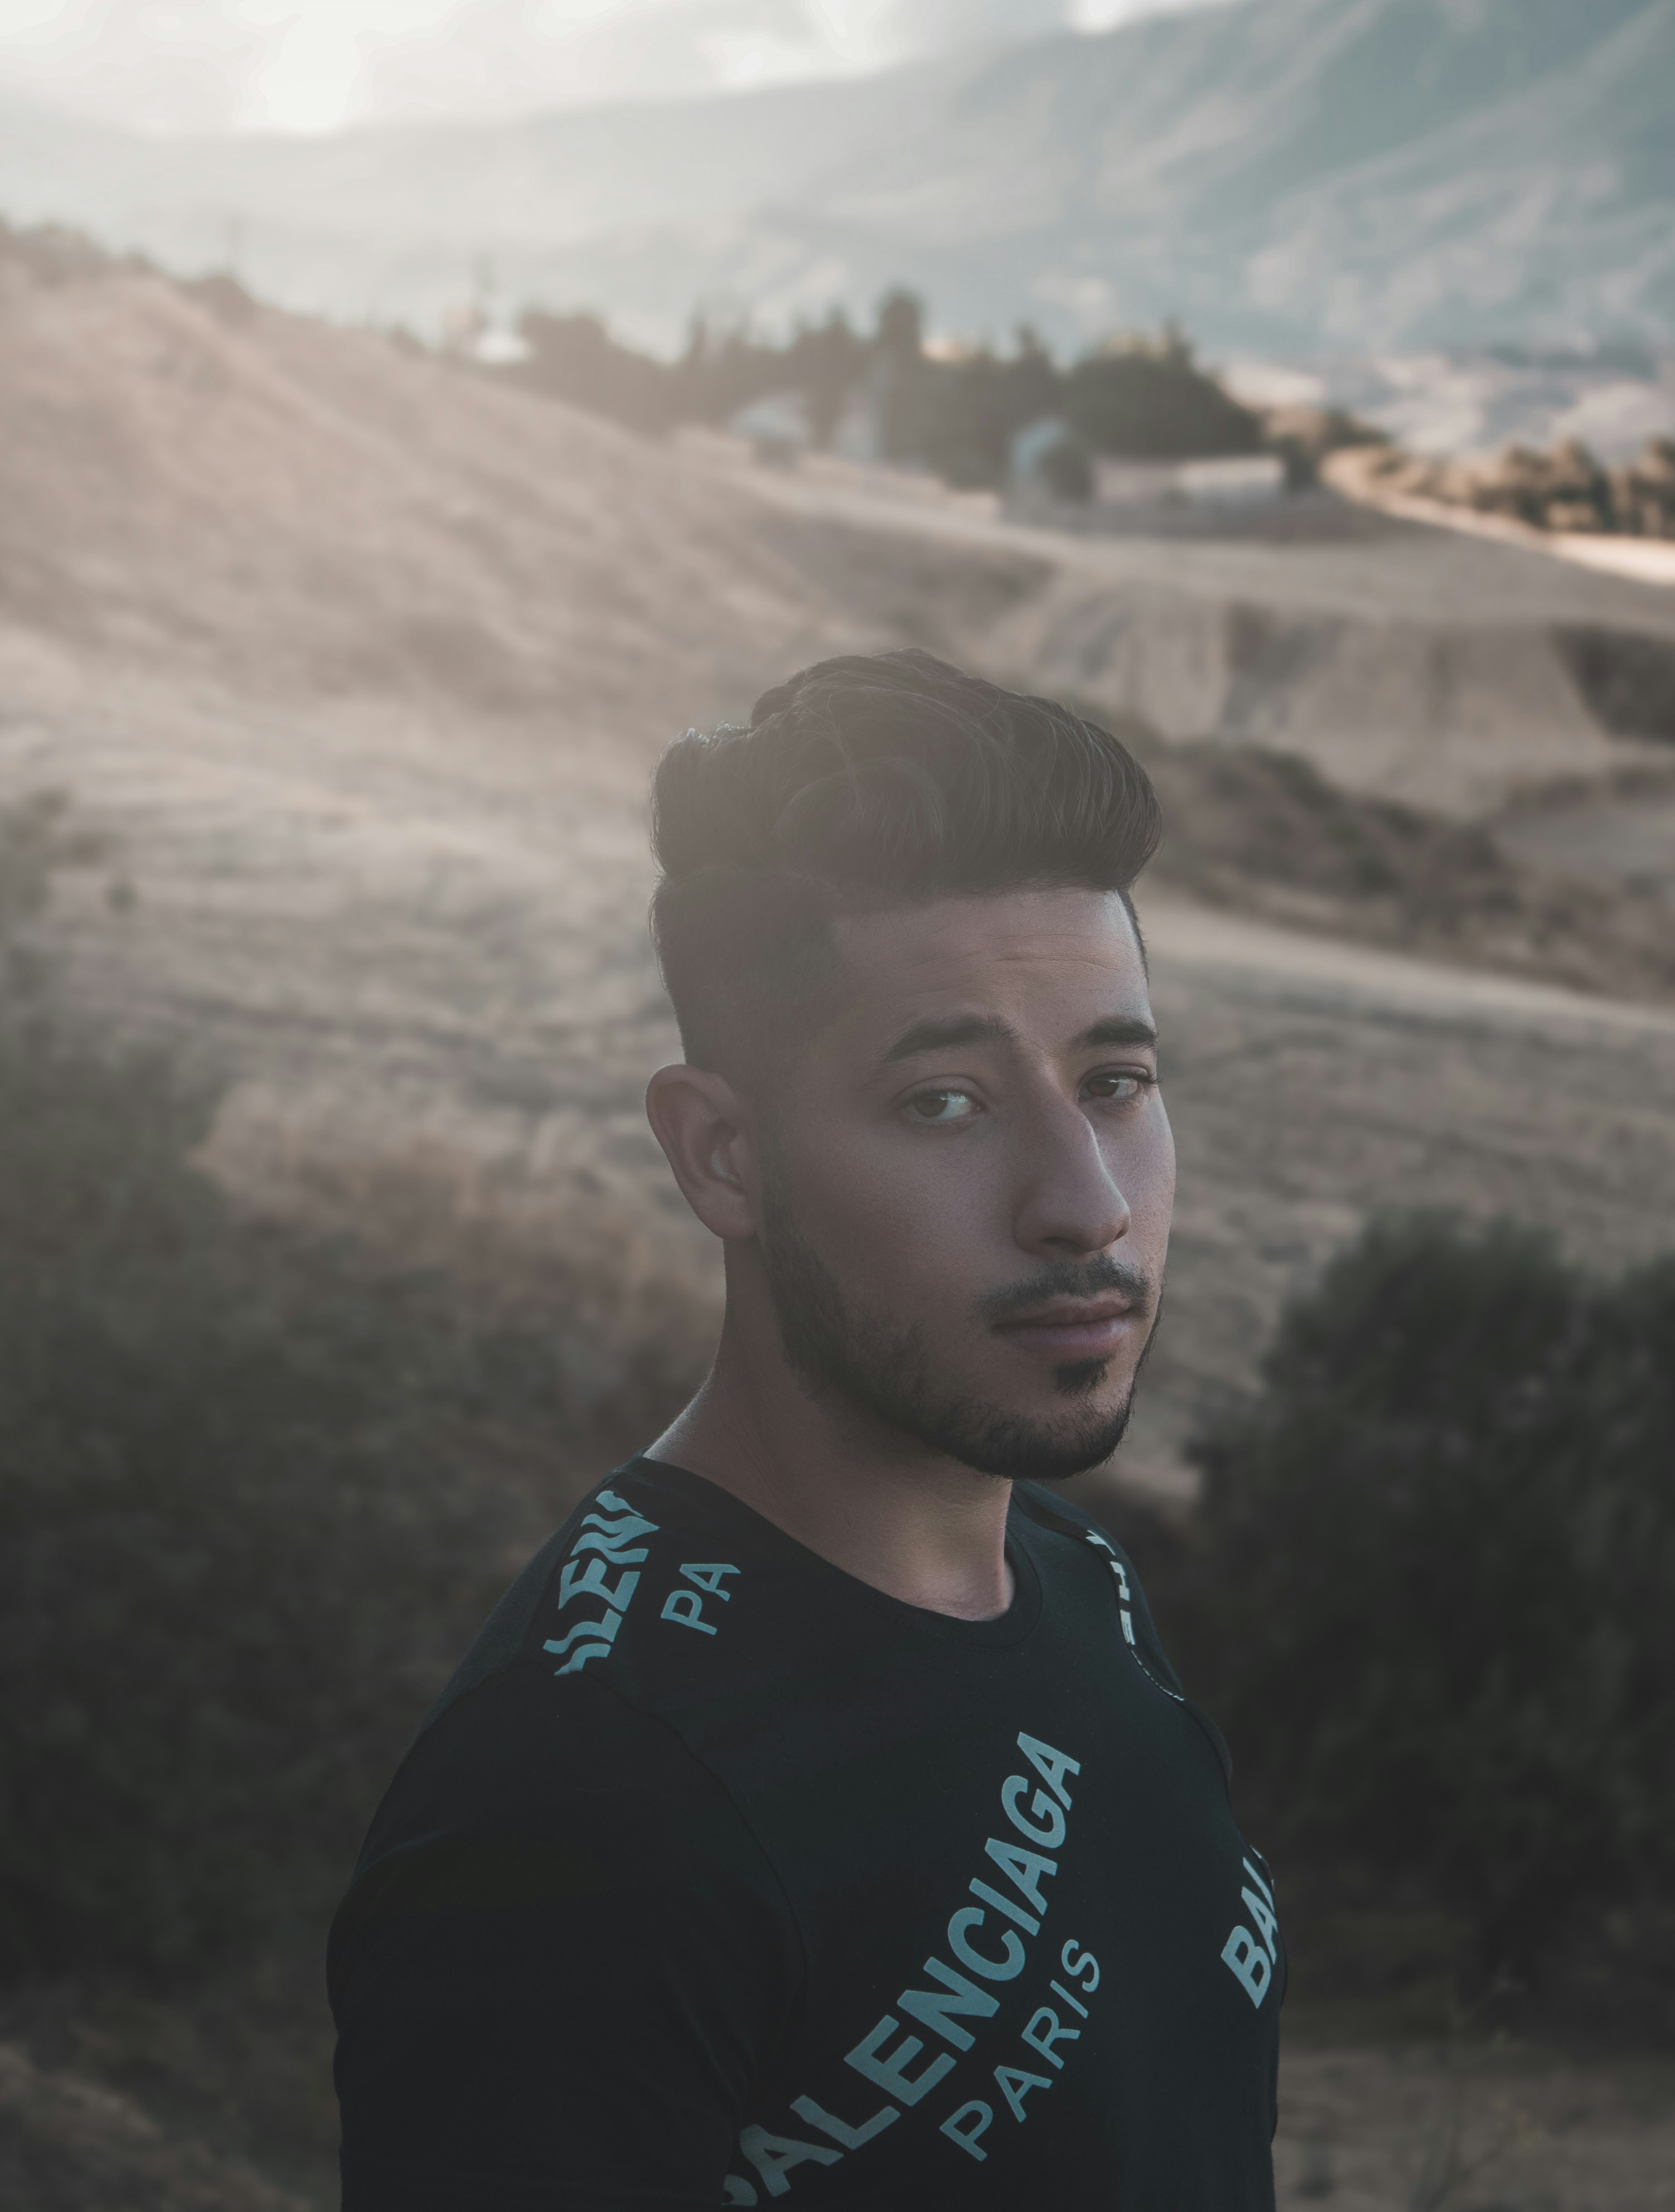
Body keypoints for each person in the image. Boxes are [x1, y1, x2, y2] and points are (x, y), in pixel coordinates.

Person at [328, 650, 1284, 2208]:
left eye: (1115, 1080)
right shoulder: (581, 1808)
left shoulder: (1068, 1576)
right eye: (945, 1104)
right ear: (722, 1157)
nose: (1088, 1204)